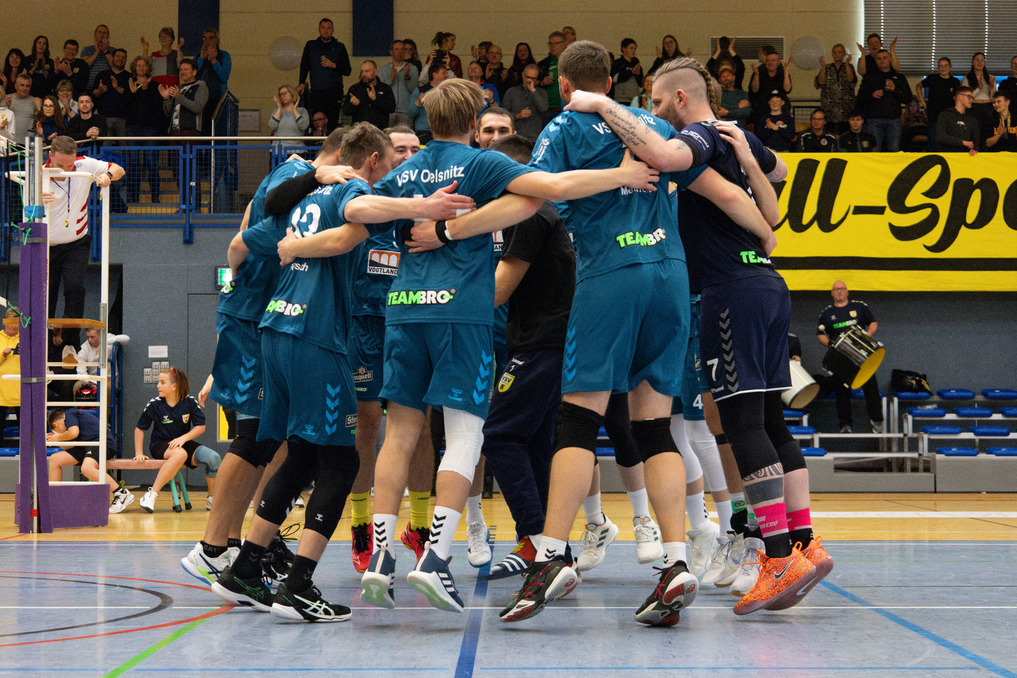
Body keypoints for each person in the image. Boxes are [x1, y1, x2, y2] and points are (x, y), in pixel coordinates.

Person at [418, 46, 774, 624]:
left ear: (564, 86)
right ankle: (676, 562)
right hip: (671, 277)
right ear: (610, 81)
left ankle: (551, 557)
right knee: (654, 425)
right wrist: (766, 234)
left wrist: (448, 230)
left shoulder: (562, 129)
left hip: (610, 274)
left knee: (577, 420)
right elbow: (729, 194)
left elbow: (531, 200)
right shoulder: (654, 126)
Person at [359, 76, 661, 617]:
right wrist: (622, 174)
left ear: (427, 120)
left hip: (403, 308)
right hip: (461, 313)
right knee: (466, 435)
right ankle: (435, 558)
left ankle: (380, 558)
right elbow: (552, 189)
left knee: (400, 434)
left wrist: (407, 206)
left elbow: (359, 212)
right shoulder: (482, 163)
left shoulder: (403, 171)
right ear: (474, 124)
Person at [563, 53, 833, 616]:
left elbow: (667, 156)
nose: (652, 111)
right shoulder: (738, 136)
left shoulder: (700, 136)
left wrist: (603, 104)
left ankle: (776, 557)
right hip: (766, 284)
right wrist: (756, 182)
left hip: (730, 290)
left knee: (740, 424)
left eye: (659, 101)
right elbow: (779, 175)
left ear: (682, 99)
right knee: (770, 421)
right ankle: (804, 544)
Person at [210, 123, 418, 621]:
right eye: (390, 162)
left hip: (274, 330)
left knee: (301, 454)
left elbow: (242, 243)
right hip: (315, 337)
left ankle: (245, 568)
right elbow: (354, 226)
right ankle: (299, 585)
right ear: (372, 160)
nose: (392, 172)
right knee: (341, 462)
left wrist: (245, 276)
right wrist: (424, 206)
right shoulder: (353, 191)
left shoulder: (302, 200)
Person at [180, 128, 348, 588]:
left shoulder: (308, 186)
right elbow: (241, 240)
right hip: (253, 315)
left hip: (270, 318)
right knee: (253, 436)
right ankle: (212, 547)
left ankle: (244, 543)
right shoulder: (298, 174)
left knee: (275, 438)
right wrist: (238, 287)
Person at [33, 137, 123, 334]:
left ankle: (70, 343)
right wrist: (36, 197)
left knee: (75, 287)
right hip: (45, 247)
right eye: (60, 166)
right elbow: (27, 210)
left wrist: (107, 176)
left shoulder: (84, 165)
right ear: (50, 156)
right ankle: (45, 344)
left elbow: (119, 169)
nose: (65, 170)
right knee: (46, 296)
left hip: (76, 243)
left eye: (69, 165)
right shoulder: (38, 175)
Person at [134, 367, 221, 512]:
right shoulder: (155, 404)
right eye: (158, 382)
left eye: (162, 382)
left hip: (182, 443)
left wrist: (183, 438)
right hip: (160, 445)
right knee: (180, 454)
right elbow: (139, 428)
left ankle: (211, 498)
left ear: (174, 386)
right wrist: (138, 453)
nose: (158, 385)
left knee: (213, 458)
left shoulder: (190, 402)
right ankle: (151, 495)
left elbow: (200, 426)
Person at [817, 281, 884, 433]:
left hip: (861, 353)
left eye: (842, 289)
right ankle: (845, 424)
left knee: (870, 384)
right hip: (841, 358)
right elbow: (820, 334)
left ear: (847, 291)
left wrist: (868, 335)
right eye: (836, 289)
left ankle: (877, 420)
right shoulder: (827, 313)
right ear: (832, 293)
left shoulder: (859, 306)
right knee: (841, 389)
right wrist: (828, 344)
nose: (839, 291)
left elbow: (873, 323)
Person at [47, 408, 134, 513]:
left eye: (60, 432)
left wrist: (58, 437)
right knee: (55, 459)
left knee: (86, 468)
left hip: (102, 443)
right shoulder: (74, 426)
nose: (62, 433)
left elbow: (73, 433)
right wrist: (55, 441)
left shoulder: (69, 414)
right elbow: (71, 447)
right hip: (87, 446)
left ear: (55, 425)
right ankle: (55, 499)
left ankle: (121, 493)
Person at [298, 18, 352, 131]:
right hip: (317, 92)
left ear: (333, 30)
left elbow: (347, 71)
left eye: (329, 28)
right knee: (317, 122)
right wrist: (301, 83)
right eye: (323, 28)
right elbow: (304, 66)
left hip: (334, 92)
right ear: (319, 29)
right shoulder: (311, 46)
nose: (326, 31)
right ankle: (318, 142)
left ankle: (331, 142)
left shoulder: (339, 47)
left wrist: (334, 65)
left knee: (332, 123)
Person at [126, 56, 165, 204]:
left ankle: (155, 196)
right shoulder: (130, 84)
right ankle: (133, 197)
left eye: (143, 66)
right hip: (132, 128)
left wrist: (146, 90)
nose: (141, 68)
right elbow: (125, 105)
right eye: (138, 65)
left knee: (151, 162)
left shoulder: (155, 85)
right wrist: (132, 92)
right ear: (134, 68)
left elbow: (157, 106)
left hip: (150, 128)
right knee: (133, 163)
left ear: (148, 68)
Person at [857, 49, 909, 151]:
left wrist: (895, 90)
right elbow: (860, 98)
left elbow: (907, 98)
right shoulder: (869, 77)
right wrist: (872, 95)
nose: (882, 60)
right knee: (874, 150)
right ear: (875, 61)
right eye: (879, 58)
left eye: (885, 58)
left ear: (890, 59)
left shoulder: (899, 77)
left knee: (893, 150)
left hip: (894, 120)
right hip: (874, 120)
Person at [917, 57, 960, 151]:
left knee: (948, 145)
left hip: (949, 118)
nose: (943, 68)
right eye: (940, 66)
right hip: (934, 117)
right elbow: (918, 86)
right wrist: (923, 102)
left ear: (950, 67)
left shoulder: (955, 81)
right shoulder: (932, 78)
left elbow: (958, 98)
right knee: (934, 143)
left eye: (945, 65)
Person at [343, 60, 396, 129]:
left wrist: (376, 100)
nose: (364, 74)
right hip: (360, 130)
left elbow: (391, 108)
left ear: (375, 72)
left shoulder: (385, 88)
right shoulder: (354, 89)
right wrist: (352, 104)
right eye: (362, 71)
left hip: (380, 130)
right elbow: (346, 111)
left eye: (367, 71)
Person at [815, 44, 856, 133]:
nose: (837, 54)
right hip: (829, 111)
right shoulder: (827, 67)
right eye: (835, 52)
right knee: (828, 137)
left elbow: (851, 80)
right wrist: (823, 67)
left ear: (844, 54)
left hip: (845, 111)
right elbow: (820, 82)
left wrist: (847, 64)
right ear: (832, 54)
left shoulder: (849, 66)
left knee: (845, 138)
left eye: (839, 52)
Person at [161, 58, 208, 135]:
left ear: (194, 72)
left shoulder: (201, 86)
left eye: (186, 69)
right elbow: (169, 113)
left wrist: (179, 96)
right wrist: (166, 99)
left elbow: (197, 108)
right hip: (174, 131)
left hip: (190, 131)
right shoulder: (179, 88)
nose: (182, 72)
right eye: (181, 70)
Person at [501, 64, 548, 141]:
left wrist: (533, 91)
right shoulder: (511, 92)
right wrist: (518, 115)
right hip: (515, 137)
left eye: (533, 78)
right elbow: (503, 115)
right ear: (523, 75)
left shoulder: (542, 92)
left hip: (534, 138)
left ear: (537, 79)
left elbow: (543, 109)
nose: (529, 81)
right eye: (528, 77)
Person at [379, 40, 419, 126]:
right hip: (388, 111)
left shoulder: (412, 69)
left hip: (406, 112)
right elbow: (380, 92)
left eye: (402, 49)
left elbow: (415, 90)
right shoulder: (383, 70)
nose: (399, 52)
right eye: (396, 49)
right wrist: (391, 80)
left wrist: (407, 78)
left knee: (405, 134)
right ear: (391, 52)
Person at [93, 48, 129, 138]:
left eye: (123, 57)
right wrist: (100, 90)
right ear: (112, 58)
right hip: (104, 117)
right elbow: (93, 93)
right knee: (105, 145)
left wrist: (117, 87)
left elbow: (131, 96)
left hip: (124, 119)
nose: (120, 59)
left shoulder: (129, 77)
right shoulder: (102, 75)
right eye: (118, 56)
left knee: (124, 145)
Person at [407, 63, 447, 144]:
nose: (447, 75)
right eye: (443, 73)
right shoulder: (420, 90)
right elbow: (410, 114)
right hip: (423, 132)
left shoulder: (448, 92)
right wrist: (418, 103)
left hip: (443, 131)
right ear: (435, 75)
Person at [749, 48, 792, 124]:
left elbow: (787, 90)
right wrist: (756, 75)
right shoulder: (759, 72)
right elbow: (754, 90)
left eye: (773, 60)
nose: (770, 63)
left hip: (781, 111)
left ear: (778, 62)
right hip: (762, 111)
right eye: (768, 60)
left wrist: (786, 73)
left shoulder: (783, 72)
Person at [195, 28, 231, 117]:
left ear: (217, 40)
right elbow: (192, 74)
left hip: (217, 97)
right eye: (205, 38)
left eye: (210, 38)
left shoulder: (224, 55)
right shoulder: (198, 55)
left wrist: (214, 61)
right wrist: (201, 59)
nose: (207, 41)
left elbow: (224, 77)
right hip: (199, 97)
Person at [961, 52, 995, 146]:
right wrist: (978, 88)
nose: (980, 63)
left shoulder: (990, 77)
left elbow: (993, 98)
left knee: (988, 134)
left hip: (988, 108)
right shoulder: (967, 78)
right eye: (977, 60)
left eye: (982, 60)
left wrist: (992, 87)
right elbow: (966, 98)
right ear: (972, 62)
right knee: (975, 135)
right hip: (974, 108)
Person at [936, 86, 980, 155]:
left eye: (972, 98)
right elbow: (940, 136)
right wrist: (962, 142)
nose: (971, 100)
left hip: (967, 157)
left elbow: (976, 140)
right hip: (948, 156)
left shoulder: (972, 119)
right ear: (960, 97)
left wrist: (974, 149)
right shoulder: (945, 115)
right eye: (969, 97)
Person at [538, 32, 567, 123]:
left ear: (564, 44)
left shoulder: (571, 61)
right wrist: (542, 82)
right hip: (548, 108)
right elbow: (533, 84)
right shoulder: (543, 64)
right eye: (550, 43)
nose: (552, 46)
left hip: (567, 106)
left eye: (556, 43)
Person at [2, 74, 40, 144]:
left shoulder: (34, 100)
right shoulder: (7, 99)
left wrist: (39, 108)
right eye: (22, 85)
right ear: (15, 86)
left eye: (27, 86)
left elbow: (40, 121)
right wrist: (7, 107)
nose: (24, 88)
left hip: (27, 142)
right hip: (9, 141)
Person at [0, 310, 20, 442]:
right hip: (1, 390)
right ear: (5, 322)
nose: (14, 325)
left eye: (17, 322)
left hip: (21, 389)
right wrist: (3, 355)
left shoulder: (25, 338)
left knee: (26, 428)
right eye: (11, 321)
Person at [81, 25, 116, 90]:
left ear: (108, 36)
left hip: (107, 87)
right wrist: (96, 52)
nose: (102, 35)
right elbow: (84, 66)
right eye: (99, 32)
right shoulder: (87, 50)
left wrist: (106, 51)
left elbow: (115, 67)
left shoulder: (113, 51)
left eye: (105, 33)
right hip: (89, 87)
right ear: (95, 35)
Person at [611, 38, 642, 104]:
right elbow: (614, 79)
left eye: (635, 49)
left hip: (635, 99)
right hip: (621, 99)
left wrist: (638, 75)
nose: (633, 51)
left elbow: (641, 84)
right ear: (624, 49)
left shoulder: (636, 64)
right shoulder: (617, 63)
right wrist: (630, 72)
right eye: (631, 48)